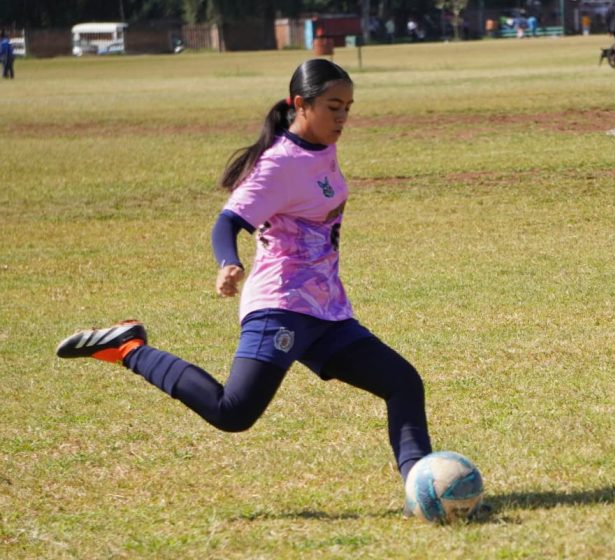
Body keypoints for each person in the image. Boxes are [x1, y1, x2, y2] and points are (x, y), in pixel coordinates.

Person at [55, 59, 433, 494]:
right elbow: (227, 222)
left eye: (348, 107)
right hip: (281, 306)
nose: (343, 117)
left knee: (402, 382)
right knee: (232, 412)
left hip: (326, 310)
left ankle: (420, 486)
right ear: (301, 104)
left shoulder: (321, 147)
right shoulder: (278, 164)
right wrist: (227, 262)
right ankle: (128, 347)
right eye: (334, 107)